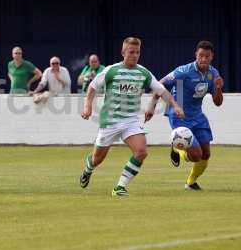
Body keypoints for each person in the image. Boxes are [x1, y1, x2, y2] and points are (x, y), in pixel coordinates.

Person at [79, 37, 185, 197]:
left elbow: (161, 90)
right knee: (97, 159)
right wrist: (87, 106)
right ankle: (89, 168)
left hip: (131, 121)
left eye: (137, 52)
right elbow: (93, 87)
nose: (135, 55)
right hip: (110, 120)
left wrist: (175, 105)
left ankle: (119, 187)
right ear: (123, 53)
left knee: (141, 151)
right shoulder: (111, 70)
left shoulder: (143, 73)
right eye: (131, 52)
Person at [145, 40, 223, 190]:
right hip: (179, 115)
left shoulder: (213, 74)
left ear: (212, 56)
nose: (203, 59)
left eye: (207, 56)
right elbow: (160, 85)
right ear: (196, 55)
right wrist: (152, 105)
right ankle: (178, 147)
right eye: (201, 56)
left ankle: (190, 182)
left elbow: (218, 102)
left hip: (198, 117)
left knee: (205, 154)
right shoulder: (183, 72)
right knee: (195, 155)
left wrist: (218, 88)